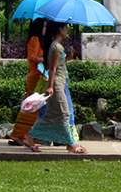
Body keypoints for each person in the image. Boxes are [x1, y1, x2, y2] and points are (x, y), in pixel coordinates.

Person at [22, 21, 86, 153]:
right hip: (56, 86)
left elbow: (55, 64)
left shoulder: (56, 46)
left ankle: (29, 137)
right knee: (64, 114)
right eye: (66, 27)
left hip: (58, 84)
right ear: (60, 29)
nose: (67, 30)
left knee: (51, 115)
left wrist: (67, 58)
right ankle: (71, 144)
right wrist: (51, 86)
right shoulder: (57, 47)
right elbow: (52, 69)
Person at [8, 18, 49, 146]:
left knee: (36, 108)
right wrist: (45, 58)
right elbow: (32, 58)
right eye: (44, 27)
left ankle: (30, 135)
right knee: (31, 106)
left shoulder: (42, 41)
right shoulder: (34, 40)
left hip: (40, 77)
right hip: (34, 77)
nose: (45, 30)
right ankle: (18, 135)